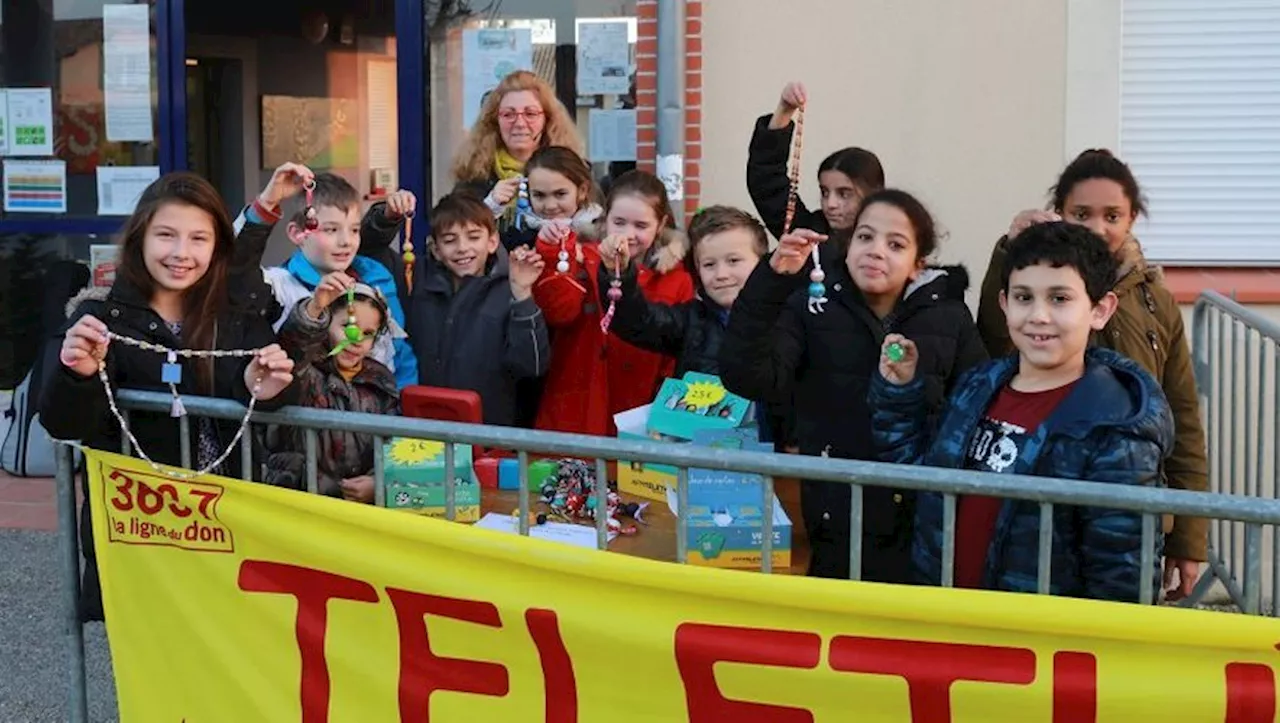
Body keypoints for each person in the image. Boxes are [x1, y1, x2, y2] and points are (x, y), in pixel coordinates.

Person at [41, 170, 300, 621]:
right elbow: (64, 423)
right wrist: (78, 375)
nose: (181, 253)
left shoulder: (233, 316)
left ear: (217, 246)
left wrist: (262, 386)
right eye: (166, 235)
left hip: (227, 530)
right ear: (140, 239)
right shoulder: (101, 318)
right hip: (143, 533)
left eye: (199, 238)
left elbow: (256, 391)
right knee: (153, 671)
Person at [872, 221, 1175, 602]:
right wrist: (899, 393)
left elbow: (1120, 573)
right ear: (1005, 304)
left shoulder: (1115, 426)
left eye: (1060, 299)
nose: (1039, 316)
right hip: (947, 622)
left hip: (1039, 648)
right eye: (1024, 297)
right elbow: (923, 477)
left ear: (1100, 309)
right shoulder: (977, 386)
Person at [719, 189, 988, 582]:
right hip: (836, 515)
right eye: (865, 237)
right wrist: (771, 280)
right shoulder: (812, 305)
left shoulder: (948, 317)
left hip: (922, 521)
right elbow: (747, 374)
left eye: (895, 244)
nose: (876, 250)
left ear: (918, 264)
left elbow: (976, 404)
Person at [974, 149, 1208, 600]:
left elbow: (1184, 422)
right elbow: (991, 341)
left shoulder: (1156, 301)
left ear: (1133, 217)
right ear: (1059, 211)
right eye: (1082, 214)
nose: (1098, 228)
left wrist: (1188, 537)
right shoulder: (1041, 283)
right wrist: (1009, 250)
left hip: (1128, 512)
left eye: (1112, 215)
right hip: (1036, 512)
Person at [367, 192, 550, 427]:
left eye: (474, 237)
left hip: (487, 433)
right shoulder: (414, 278)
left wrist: (523, 295)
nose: (463, 248)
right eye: (450, 240)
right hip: (420, 425)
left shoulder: (509, 289)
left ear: (492, 242)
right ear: (435, 249)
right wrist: (386, 217)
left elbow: (532, 365)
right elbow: (369, 252)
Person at [533, 169, 694, 436]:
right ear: (606, 218)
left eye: (641, 226)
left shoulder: (676, 279)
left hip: (638, 410)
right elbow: (559, 312)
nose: (627, 235)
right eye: (619, 222)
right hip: (576, 404)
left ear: (661, 224)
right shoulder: (581, 258)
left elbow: (675, 356)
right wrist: (553, 253)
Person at [245, 172, 419, 390]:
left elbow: (399, 354)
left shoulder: (377, 279)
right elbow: (236, 270)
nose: (346, 241)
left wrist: (405, 410)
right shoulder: (279, 287)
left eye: (354, 230)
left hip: (378, 415)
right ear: (297, 233)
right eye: (330, 230)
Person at [265, 276, 401, 502]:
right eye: (348, 327)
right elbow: (291, 349)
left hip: (358, 506)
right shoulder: (305, 369)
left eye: (368, 333)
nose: (356, 340)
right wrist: (315, 307)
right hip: (302, 499)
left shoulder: (381, 380)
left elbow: (392, 441)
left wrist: (377, 481)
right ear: (327, 322)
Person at [600, 204, 766, 377]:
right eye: (709, 264)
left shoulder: (785, 317)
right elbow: (637, 320)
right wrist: (618, 272)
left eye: (733, 260)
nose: (721, 274)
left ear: (762, 263)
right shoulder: (690, 320)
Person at [452, 70, 586, 250]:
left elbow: (595, 230)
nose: (520, 123)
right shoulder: (473, 176)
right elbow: (452, 235)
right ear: (494, 121)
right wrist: (488, 206)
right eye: (509, 114)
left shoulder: (572, 170)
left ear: (547, 120)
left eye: (530, 114)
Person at [746, 81, 885, 243]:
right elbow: (767, 182)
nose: (831, 204)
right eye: (825, 192)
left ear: (874, 194)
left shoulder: (892, 240)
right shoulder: (810, 236)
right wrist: (784, 111)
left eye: (844, 194)